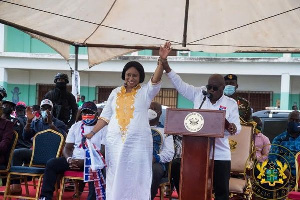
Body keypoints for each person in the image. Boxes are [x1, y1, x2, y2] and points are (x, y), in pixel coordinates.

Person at [84, 42, 171, 200]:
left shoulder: (145, 92)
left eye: (135, 75)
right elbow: (105, 116)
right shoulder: (115, 92)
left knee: (137, 174)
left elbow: (155, 80)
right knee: (115, 173)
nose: (131, 78)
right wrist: (92, 133)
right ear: (124, 75)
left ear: (140, 77)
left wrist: (161, 60)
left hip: (138, 142)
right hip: (115, 142)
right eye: (128, 74)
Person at [161, 55, 241, 200]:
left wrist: (232, 128)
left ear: (222, 88)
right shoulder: (200, 95)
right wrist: (166, 67)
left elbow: (237, 129)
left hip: (220, 155)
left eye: (214, 88)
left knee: (221, 193)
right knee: (194, 188)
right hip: (196, 155)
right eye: (208, 86)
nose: (210, 90)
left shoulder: (231, 104)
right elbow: (180, 85)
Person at [39, 101, 106, 200]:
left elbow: (103, 152)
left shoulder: (103, 128)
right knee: (51, 164)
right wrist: (69, 159)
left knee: (96, 167)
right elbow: (67, 148)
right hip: (74, 160)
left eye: (90, 113)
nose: (87, 115)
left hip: (93, 161)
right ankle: (45, 196)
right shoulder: (76, 127)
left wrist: (85, 162)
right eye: (84, 113)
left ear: (96, 114)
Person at [9, 99, 67, 194]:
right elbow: (25, 137)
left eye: (48, 108)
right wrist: (28, 122)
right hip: (37, 153)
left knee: (53, 162)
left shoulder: (59, 123)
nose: (46, 110)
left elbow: (63, 137)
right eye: (43, 108)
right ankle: (16, 185)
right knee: (17, 153)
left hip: (54, 154)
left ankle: (49, 187)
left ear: (52, 109)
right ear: (40, 110)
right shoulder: (36, 123)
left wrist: (51, 124)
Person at [149, 102, 174, 200]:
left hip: (156, 162)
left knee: (154, 170)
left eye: (154, 109)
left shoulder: (166, 131)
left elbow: (169, 153)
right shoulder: (138, 129)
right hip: (137, 160)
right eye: (149, 108)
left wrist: (155, 158)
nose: (150, 111)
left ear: (159, 113)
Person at [269, 111, 300, 176]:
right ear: (288, 121)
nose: (294, 122)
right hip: (283, 174)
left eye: (297, 120)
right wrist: (282, 169)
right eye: (291, 120)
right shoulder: (279, 139)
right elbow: (272, 158)